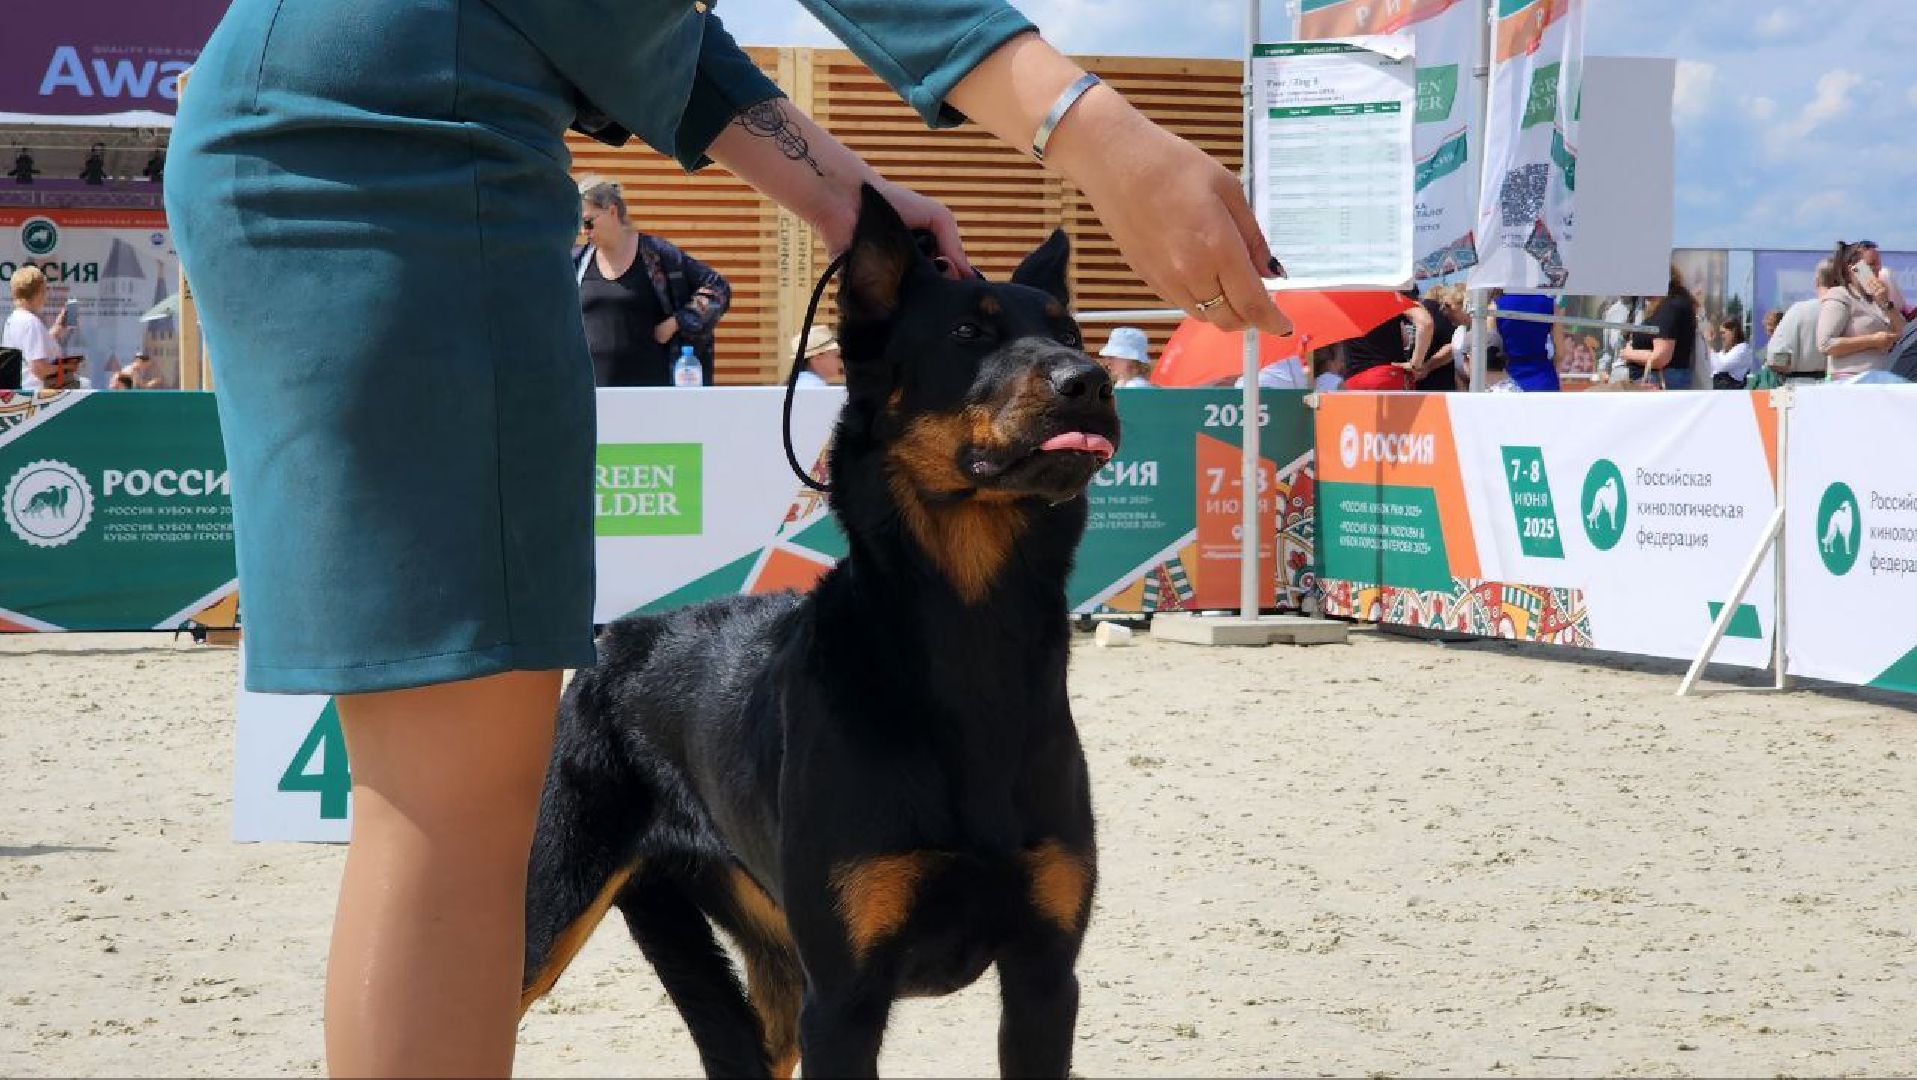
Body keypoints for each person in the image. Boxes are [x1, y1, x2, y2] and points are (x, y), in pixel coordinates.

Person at [164, 3, 1290, 1075]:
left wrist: (851, 196)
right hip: (404, 160)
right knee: (449, 805)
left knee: (432, 796)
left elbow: (662, 43)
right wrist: (1094, 130)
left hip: (336, 133)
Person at [576, 178, 731, 386]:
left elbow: (718, 288)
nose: (583, 231)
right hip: (592, 395)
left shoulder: (657, 255)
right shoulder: (577, 262)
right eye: (579, 223)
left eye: (588, 222)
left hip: (654, 394)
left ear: (612, 212)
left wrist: (678, 321)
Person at [1817, 240, 1908, 382]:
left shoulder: (1878, 299)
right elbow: (1825, 344)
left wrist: (1886, 303)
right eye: (1871, 265)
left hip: (1880, 377)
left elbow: (1903, 333)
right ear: (1852, 268)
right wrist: (1872, 340)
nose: (1877, 270)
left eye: (1878, 264)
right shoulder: (1840, 295)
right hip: (1849, 378)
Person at [1618, 264, 1700, 388]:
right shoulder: (1671, 305)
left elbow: (1660, 357)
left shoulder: (1670, 307)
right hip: (1661, 381)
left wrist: (1628, 353)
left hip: (1659, 383)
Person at [1341, 289, 1431, 391]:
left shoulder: (1343, 300)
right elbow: (1425, 322)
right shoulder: (1390, 297)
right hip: (1386, 376)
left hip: (1353, 381)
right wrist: (1415, 364)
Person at [4, 267, 74, 392]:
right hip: (37, 394)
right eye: (44, 290)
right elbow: (39, 369)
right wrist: (68, 367)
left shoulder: (14, 318)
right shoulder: (30, 322)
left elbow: (30, 347)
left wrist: (56, 330)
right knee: (85, 384)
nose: (45, 296)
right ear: (38, 292)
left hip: (23, 391)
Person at [1767, 261, 1839, 383]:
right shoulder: (1852, 312)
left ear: (1817, 281)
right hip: (1840, 387)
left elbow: (1776, 356)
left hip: (1801, 386)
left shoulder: (1799, 311)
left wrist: (1788, 369)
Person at [1493, 291, 1561, 392]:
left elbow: (1491, 353)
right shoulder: (1550, 304)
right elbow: (1561, 352)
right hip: (1543, 378)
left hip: (1507, 380)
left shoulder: (1495, 306)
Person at [1413, 284, 1460, 392]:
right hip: (1442, 376)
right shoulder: (1447, 317)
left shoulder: (1419, 312)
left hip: (1416, 374)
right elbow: (1452, 346)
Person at [1856, 240, 1909, 319]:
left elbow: (1900, 307)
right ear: (1855, 268)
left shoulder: (1884, 277)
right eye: (1871, 264)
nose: (1878, 268)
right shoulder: (1844, 295)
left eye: (1879, 262)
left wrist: (1885, 301)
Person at [1709, 317, 1755, 389]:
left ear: (1733, 332)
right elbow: (1713, 367)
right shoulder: (1724, 351)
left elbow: (1721, 366)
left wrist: (1709, 346)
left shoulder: (1742, 348)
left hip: (1732, 393)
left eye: (1723, 333)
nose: (1721, 336)